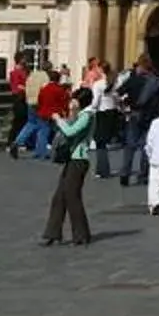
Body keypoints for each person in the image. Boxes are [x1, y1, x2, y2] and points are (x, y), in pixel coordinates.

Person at [38, 84, 98, 247]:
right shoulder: (79, 114)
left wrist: (58, 119)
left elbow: (71, 131)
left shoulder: (87, 115)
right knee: (59, 196)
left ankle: (81, 234)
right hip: (72, 159)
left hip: (79, 160)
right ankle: (52, 233)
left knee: (72, 196)